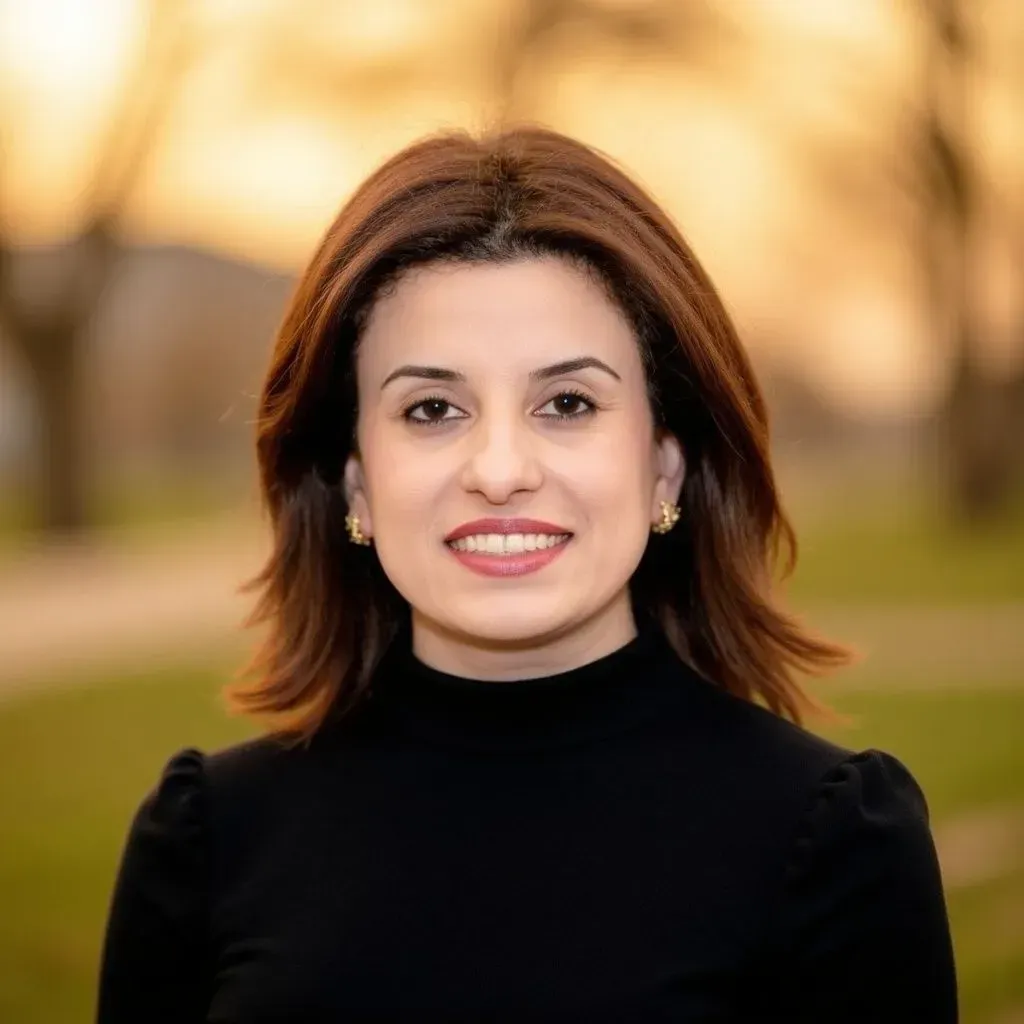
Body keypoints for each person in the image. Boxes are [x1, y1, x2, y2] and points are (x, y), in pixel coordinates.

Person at [96, 126, 957, 1023]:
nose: (500, 468)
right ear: (355, 479)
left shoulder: (835, 841)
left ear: (664, 465)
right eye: (431, 408)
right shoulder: (206, 838)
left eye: (567, 403)